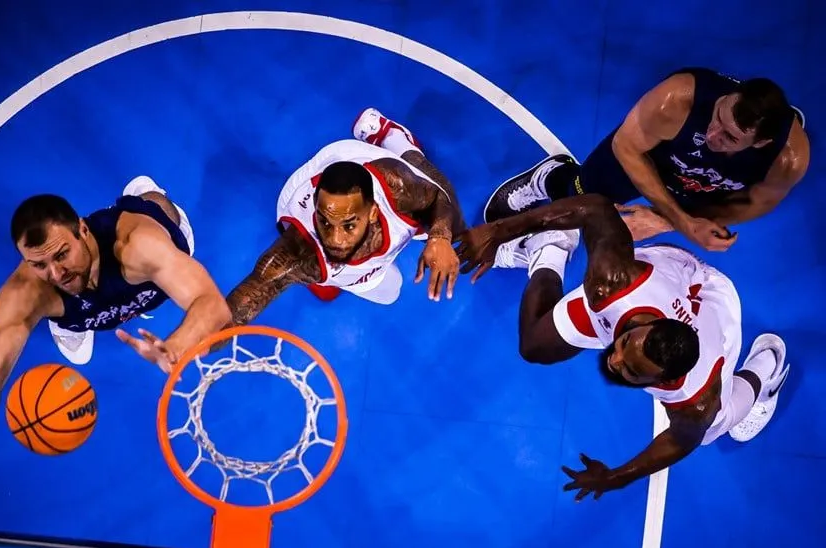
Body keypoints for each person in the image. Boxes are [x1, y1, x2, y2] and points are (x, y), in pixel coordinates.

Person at [455, 193, 791, 500]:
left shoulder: (695, 400)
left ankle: (767, 368)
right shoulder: (612, 282)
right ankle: (551, 246)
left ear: (661, 381)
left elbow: (677, 442)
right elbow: (594, 208)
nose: (614, 359)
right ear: (647, 325)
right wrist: (498, 231)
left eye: (631, 372)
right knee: (534, 346)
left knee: (713, 427)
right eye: (625, 344)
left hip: (717, 306)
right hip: (669, 275)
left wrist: (616, 477)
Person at [0, 177, 231, 451]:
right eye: (38, 264)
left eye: (61, 255)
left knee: (167, 219)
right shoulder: (29, 291)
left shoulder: (136, 246)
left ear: (83, 230)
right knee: (63, 296)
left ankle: (142, 194)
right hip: (80, 305)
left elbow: (213, 304)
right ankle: (71, 322)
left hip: (144, 262)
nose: (56, 274)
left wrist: (175, 346)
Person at [484, 68, 809, 252]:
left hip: (705, 185)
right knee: (580, 198)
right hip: (651, 155)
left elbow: (755, 202)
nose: (712, 135)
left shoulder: (788, 161)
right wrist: (683, 223)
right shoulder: (677, 100)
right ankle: (550, 176)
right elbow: (626, 147)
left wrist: (667, 219)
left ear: (761, 141)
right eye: (717, 117)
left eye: (730, 137)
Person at [224, 108, 466, 325]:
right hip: (299, 193)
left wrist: (440, 237)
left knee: (451, 218)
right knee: (390, 292)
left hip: (358, 158)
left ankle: (392, 139)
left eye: (348, 226)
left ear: (372, 213)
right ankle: (324, 277)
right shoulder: (296, 255)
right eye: (325, 223)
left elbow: (437, 198)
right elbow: (230, 316)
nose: (335, 239)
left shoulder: (397, 188)